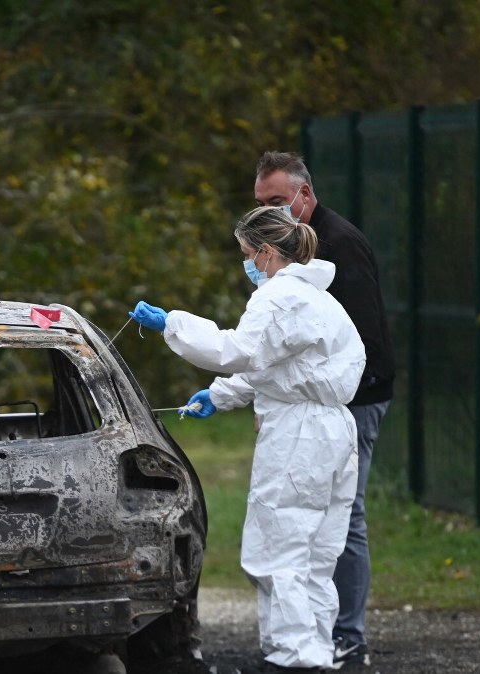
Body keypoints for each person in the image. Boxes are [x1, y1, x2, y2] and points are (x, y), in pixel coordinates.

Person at [129, 205, 366, 672]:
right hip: (334, 432)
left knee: (280, 548)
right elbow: (280, 366)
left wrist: (172, 324)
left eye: (245, 253)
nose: (245, 263)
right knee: (317, 555)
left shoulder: (279, 297)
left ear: (265, 251)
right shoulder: (321, 300)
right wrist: (221, 396)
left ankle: (291, 660)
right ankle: (313, 654)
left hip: (300, 437)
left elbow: (236, 350)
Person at [254, 151, 396, 669]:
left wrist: (314, 401)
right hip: (325, 403)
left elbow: (357, 343)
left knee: (344, 514)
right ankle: (320, 629)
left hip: (352, 401)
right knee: (313, 515)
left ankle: (347, 635)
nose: (271, 212)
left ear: (304, 196)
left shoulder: (339, 247)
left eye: (277, 202)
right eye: (262, 204)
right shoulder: (295, 250)